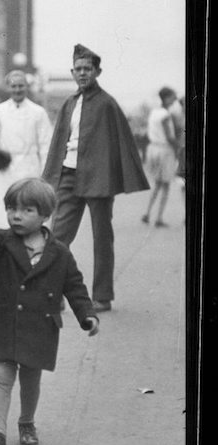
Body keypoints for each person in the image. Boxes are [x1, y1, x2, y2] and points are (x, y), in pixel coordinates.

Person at [0, 177, 99, 445]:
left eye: (27, 210)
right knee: (2, 375)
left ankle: (26, 422)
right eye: (12, 208)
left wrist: (87, 315)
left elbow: (74, 286)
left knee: (30, 379)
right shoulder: (1, 241)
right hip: (3, 323)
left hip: (39, 326)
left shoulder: (59, 253)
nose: (16, 215)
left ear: (45, 215)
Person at [42, 45, 149, 313]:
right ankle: (52, 293)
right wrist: (50, 176)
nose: (82, 73)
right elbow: (59, 143)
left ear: (97, 71)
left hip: (98, 180)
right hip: (68, 175)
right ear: (72, 72)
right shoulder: (69, 103)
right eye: (77, 69)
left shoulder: (107, 104)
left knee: (102, 238)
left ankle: (102, 296)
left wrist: (113, 178)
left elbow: (121, 143)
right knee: (57, 237)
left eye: (87, 69)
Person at [0, 69, 52, 230]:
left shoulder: (38, 112)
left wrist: (44, 173)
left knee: (30, 206)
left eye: (21, 86)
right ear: (8, 88)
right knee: (3, 213)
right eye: (14, 86)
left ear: (26, 87)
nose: (17, 90)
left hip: (30, 167)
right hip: (6, 167)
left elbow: (45, 145)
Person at [142, 87, 179, 227]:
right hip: (164, 150)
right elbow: (169, 136)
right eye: (173, 96)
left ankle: (147, 213)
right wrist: (179, 147)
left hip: (153, 148)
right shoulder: (165, 115)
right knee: (166, 185)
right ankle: (159, 218)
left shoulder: (154, 112)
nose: (174, 99)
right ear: (167, 97)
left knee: (157, 184)